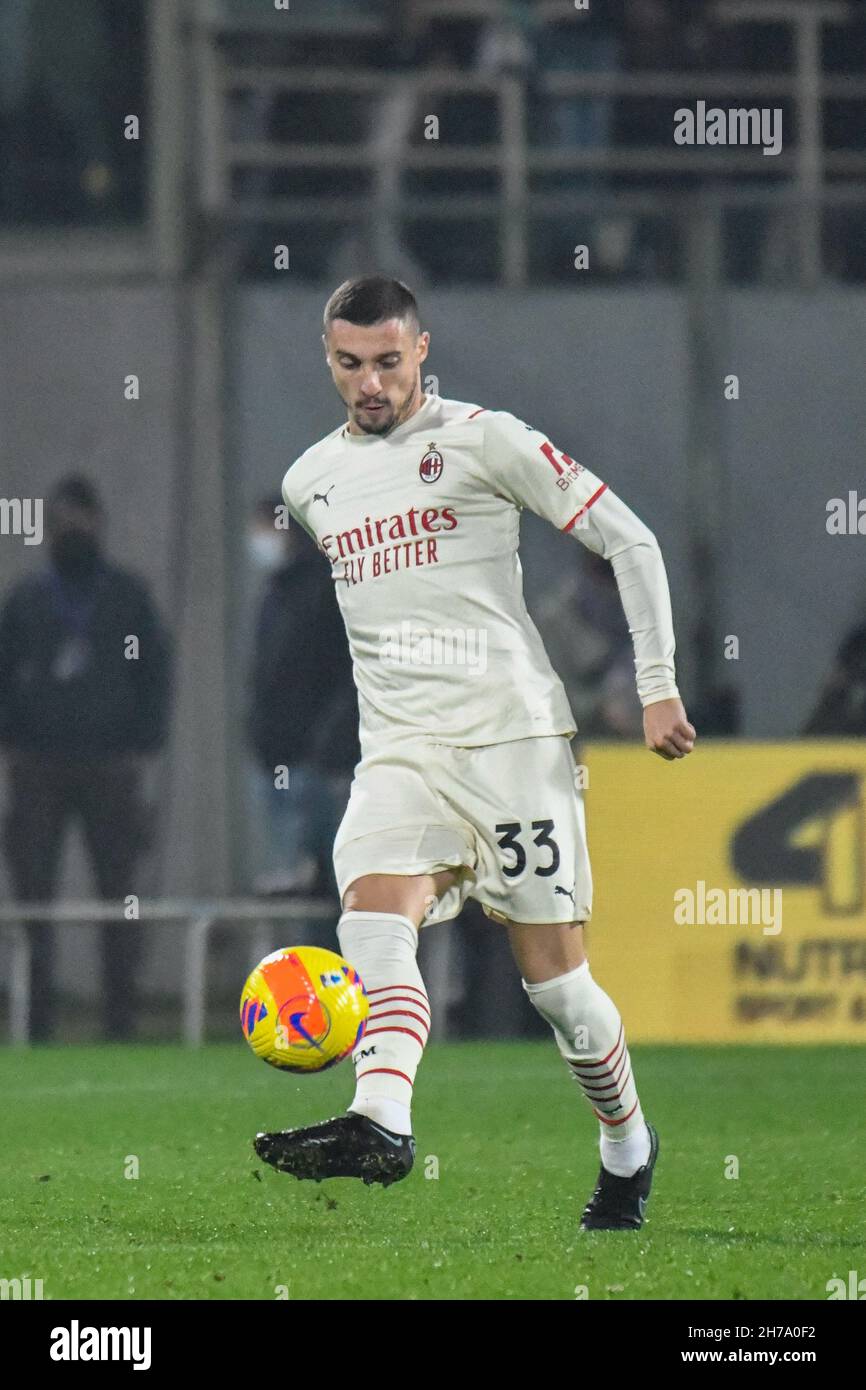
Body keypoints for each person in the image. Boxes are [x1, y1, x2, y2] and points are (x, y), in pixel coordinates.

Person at [253, 276, 695, 1231]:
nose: (368, 381)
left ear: (420, 351)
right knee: (373, 912)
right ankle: (383, 1118)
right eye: (348, 363)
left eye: (386, 361)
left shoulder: (487, 438)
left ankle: (628, 1144)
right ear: (327, 360)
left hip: (512, 741)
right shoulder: (309, 482)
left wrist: (656, 684)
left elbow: (632, 539)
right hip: (401, 751)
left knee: (559, 988)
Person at [0, 475, 172, 1039]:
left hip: (110, 766)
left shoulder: (126, 596)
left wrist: (142, 744)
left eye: (80, 519)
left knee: (119, 898)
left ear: (97, 522)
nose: (71, 530)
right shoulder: (26, 600)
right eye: (62, 521)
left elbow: (154, 675)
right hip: (38, 766)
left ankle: (121, 1020)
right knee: (35, 899)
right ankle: (37, 1018)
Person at [246, 498, 359, 902]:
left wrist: (328, 742)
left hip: (317, 759)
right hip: (275, 753)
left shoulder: (324, 590)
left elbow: (342, 673)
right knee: (288, 883)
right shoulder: (274, 595)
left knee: (327, 881)